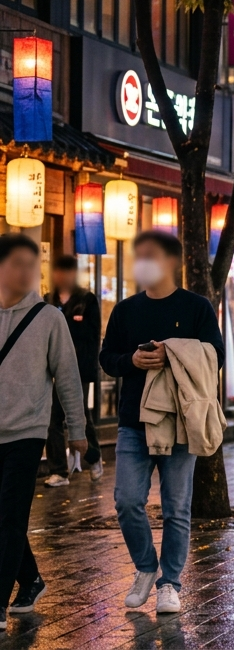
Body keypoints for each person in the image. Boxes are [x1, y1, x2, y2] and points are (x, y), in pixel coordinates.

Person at [99, 231, 224, 615]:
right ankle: (145, 568)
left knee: (176, 507)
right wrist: (131, 363)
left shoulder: (197, 307)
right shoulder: (125, 310)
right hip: (133, 421)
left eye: (150, 256)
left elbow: (215, 357)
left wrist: (173, 355)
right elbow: (107, 358)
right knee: (127, 500)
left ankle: (170, 583)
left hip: (180, 421)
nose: (143, 264)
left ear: (172, 261)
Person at [0, 235, 85, 625]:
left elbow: (68, 377)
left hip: (26, 432)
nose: (25, 272)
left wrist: (77, 430)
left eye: (30, 265)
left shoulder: (49, 318)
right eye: (16, 263)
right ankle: (31, 578)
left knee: (11, 515)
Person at [43, 254, 102, 486]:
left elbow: (91, 335)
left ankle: (94, 456)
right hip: (49, 369)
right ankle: (59, 470)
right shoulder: (48, 299)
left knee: (77, 414)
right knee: (52, 417)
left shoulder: (86, 299)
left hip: (78, 368)